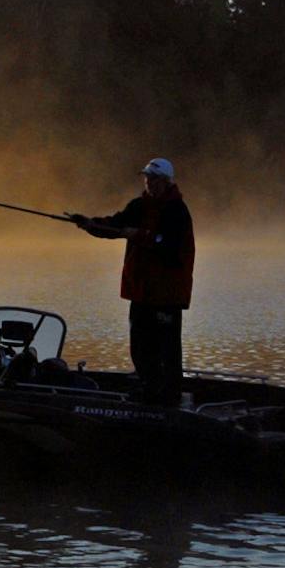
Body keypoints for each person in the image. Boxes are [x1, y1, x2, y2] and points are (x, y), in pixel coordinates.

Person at [68, 158, 195, 406]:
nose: (149, 182)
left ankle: (170, 397)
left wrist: (141, 235)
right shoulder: (139, 206)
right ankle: (149, 390)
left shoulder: (177, 210)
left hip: (167, 295)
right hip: (141, 292)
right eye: (146, 177)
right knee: (140, 346)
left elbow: (169, 246)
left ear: (167, 182)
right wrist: (89, 224)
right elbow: (116, 225)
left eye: (154, 178)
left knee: (167, 349)